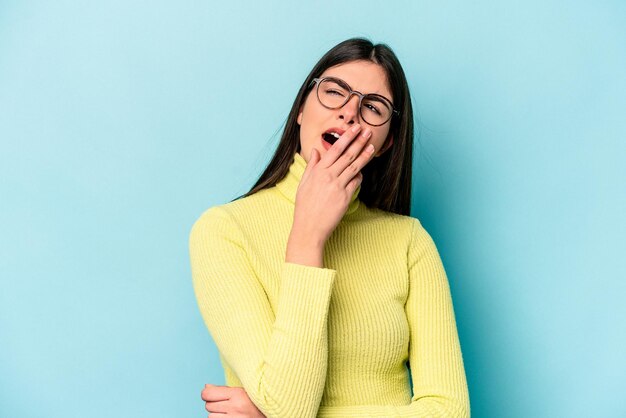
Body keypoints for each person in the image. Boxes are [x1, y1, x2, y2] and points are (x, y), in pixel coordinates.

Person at [189, 38, 470, 418]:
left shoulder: (410, 242)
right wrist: (308, 235)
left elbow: (450, 411)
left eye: (373, 107)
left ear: (386, 143)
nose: (350, 112)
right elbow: (289, 406)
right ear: (301, 109)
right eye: (334, 92)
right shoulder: (224, 232)